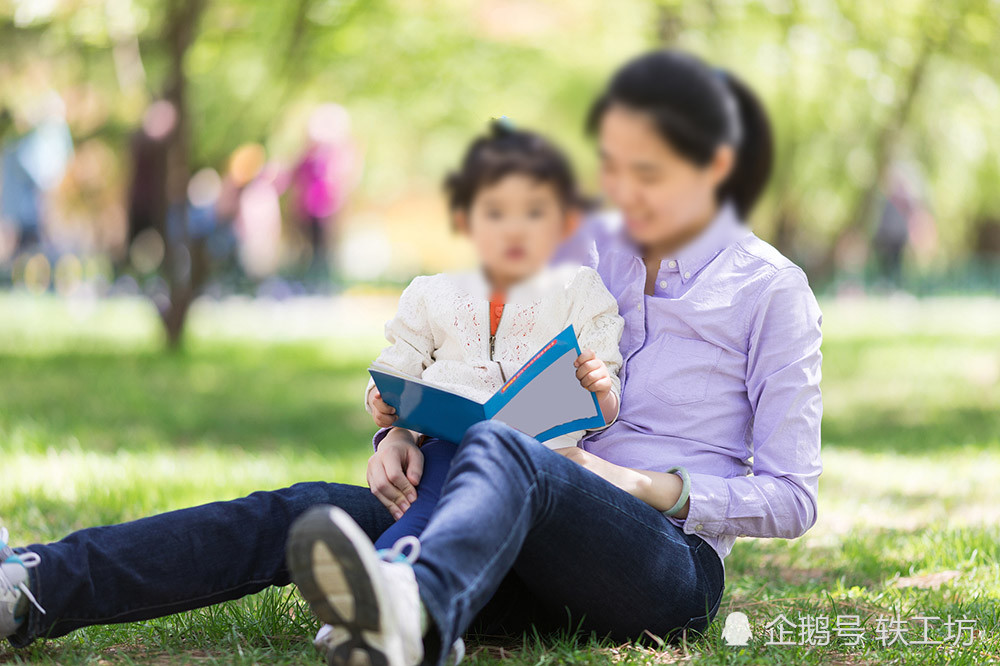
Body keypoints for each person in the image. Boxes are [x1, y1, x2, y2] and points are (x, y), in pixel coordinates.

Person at [1, 48, 823, 666]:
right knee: (299, 510)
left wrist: (641, 486)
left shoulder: (774, 293)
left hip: (659, 569)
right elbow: (477, 355)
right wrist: (401, 432)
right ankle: (34, 587)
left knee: (514, 452)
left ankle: (409, 605)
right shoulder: (587, 257)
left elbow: (792, 497)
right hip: (502, 528)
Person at [289, 117, 626, 663]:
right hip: (446, 441)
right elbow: (393, 371)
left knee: (450, 503)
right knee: (430, 500)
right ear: (466, 220)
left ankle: (383, 599)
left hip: (539, 459)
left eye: (533, 215)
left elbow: (606, 401)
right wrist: (385, 409)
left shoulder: (580, 291)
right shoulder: (431, 295)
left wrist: (600, 386)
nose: (513, 231)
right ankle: (391, 602)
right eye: (495, 214)